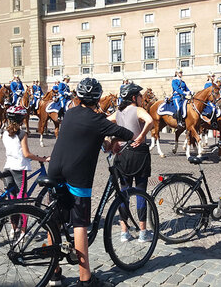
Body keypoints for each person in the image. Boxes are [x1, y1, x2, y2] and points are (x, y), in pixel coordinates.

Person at [48, 78, 133, 287]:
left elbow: (87, 135)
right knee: (79, 224)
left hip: (55, 169)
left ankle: (54, 273)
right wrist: (113, 141)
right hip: (77, 174)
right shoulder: (97, 120)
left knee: (54, 222)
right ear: (97, 98)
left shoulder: (70, 112)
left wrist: (104, 140)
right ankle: (85, 279)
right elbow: (128, 133)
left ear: (79, 96)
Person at [107, 83, 154, 242]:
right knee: (141, 192)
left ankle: (124, 232)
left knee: (123, 193)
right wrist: (141, 136)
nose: (142, 98)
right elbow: (150, 121)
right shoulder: (139, 110)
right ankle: (142, 232)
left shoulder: (118, 112)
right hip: (138, 154)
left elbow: (105, 123)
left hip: (122, 154)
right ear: (134, 97)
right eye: (140, 96)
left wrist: (112, 140)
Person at [2, 106, 49, 239]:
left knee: (12, 201)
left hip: (8, 166)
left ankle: (13, 229)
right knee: (23, 201)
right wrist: (42, 159)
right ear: (22, 119)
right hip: (19, 168)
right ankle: (24, 232)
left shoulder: (5, 132)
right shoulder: (22, 134)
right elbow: (26, 154)